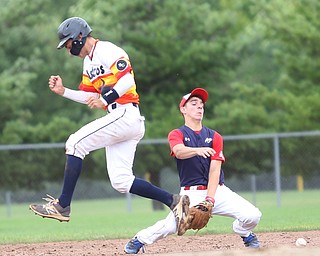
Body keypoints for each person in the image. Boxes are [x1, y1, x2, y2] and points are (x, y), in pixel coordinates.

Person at [29, 17, 189, 228]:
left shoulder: (107, 50)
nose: (68, 49)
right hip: (122, 119)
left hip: (125, 114)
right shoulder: (89, 62)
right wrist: (63, 91)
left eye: (68, 43)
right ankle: (174, 201)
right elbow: (88, 96)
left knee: (75, 143)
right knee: (121, 181)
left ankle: (63, 205)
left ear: (79, 36)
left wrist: (105, 99)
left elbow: (128, 80)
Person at [124, 88, 262, 254]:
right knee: (169, 227)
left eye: (201, 105)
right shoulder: (177, 134)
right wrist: (197, 150)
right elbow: (179, 151)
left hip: (217, 191)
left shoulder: (215, 136)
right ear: (183, 109)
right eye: (194, 103)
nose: (199, 107)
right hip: (191, 195)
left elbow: (214, 171)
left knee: (253, 215)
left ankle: (244, 232)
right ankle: (139, 240)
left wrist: (210, 199)